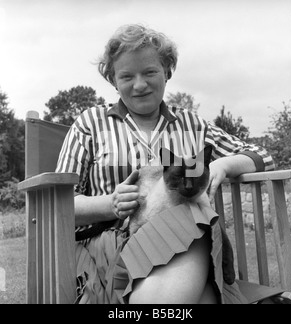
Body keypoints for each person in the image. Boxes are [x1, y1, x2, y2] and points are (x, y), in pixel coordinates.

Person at [55, 24, 275, 304]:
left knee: (193, 220)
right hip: (114, 245)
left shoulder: (192, 125)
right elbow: (58, 205)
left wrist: (222, 166)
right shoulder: (91, 123)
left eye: (150, 72)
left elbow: (261, 156)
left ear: (167, 71)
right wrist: (108, 203)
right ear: (112, 80)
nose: (139, 84)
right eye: (126, 76)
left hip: (186, 237)